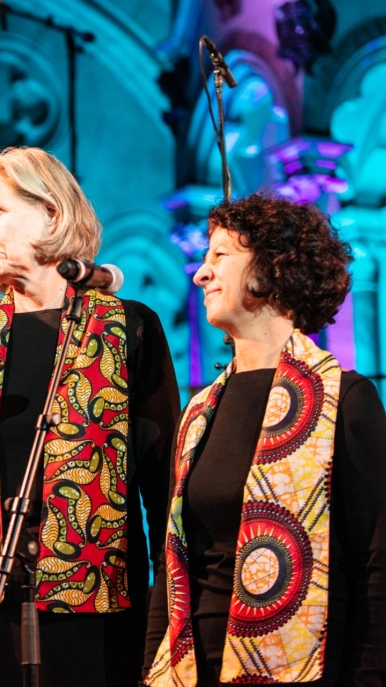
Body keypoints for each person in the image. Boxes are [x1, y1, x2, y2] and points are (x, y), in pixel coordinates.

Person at [0, 147, 180, 687]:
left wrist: (167, 626)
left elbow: (164, 490)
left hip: (98, 615)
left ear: (52, 214)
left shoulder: (130, 327)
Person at [142, 195, 386, 685]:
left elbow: (376, 563)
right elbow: (172, 567)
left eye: (220, 256)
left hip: (304, 666)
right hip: (192, 668)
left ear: (272, 270)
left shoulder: (344, 397)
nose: (200, 274)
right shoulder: (198, 412)